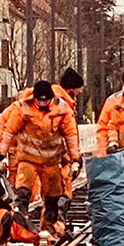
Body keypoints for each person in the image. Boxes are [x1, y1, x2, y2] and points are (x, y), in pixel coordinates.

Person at [0, 80, 80, 236]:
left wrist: (75, 158)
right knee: (23, 191)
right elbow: (9, 132)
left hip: (51, 162)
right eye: (39, 100)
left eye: (45, 100)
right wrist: (1, 155)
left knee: (52, 197)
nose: (42, 103)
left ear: (51, 98)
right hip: (28, 159)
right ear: (34, 98)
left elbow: (70, 135)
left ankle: (48, 227)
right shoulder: (23, 108)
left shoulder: (62, 109)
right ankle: (20, 223)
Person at [54, 67, 85, 228]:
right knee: (60, 193)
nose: (80, 92)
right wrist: (74, 157)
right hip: (58, 158)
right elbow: (67, 135)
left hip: (57, 157)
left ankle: (56, 226)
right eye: (79, 88)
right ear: (71, 88)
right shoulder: (60, 104)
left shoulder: (61, 101)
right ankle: (56, 227)